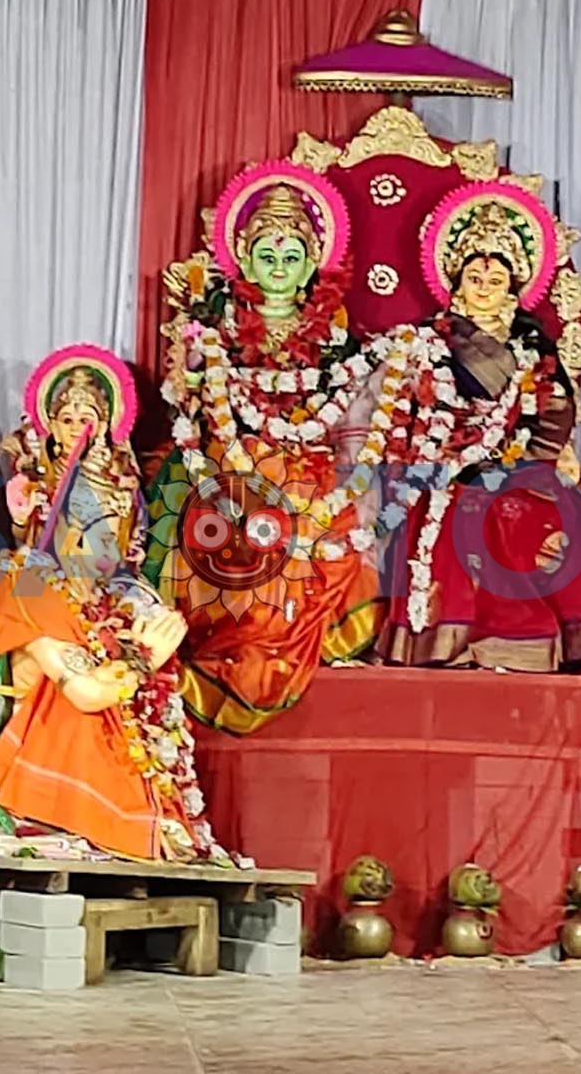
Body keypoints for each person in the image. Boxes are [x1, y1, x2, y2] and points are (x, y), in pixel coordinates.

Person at [145, 162, 384, 735]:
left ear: (310, 269)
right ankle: (228, 647)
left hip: (310, 473)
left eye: (291, 258)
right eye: (267, 257)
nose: (278, 270)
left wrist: (346, 481)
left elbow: (351, 428)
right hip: (228, 466)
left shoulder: (337, 341)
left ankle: (286, 640)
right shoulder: (212, 330)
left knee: (318, 518)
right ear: (245, 262)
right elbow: (191, 413)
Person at [0, 345, 235, 864]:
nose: (107, 539)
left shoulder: (124, 595)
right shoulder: (27, 583)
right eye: (91, 522)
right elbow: (88, 693)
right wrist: (143, 657)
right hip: (46, 791)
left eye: (117, 525)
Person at [378, 182, 581, 675]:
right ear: (456, 282)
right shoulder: (430, 342)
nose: (486, 283)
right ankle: (456, 645)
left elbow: (555, 408)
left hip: (521, 460)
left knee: (550, 509)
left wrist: (525, 457)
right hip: (445, 467)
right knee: (466, 509)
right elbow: (407, 412)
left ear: (515, 282)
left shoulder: (534, 343)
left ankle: (559, 641)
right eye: (474, 274)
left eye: (496, 274)